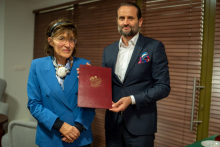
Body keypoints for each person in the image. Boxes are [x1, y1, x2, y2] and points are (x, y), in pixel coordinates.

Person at [102, 2, 171, 147]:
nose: (125, 22)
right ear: (117, 21)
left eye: (130, 18)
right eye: (121, 18)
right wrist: (89, 78)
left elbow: (163, 87)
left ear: (140, 21)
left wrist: (132, 99)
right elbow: (105, 85)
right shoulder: (108, 51)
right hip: (112, 124)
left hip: (140, 126)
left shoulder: (154, 47)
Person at [27, 18, 95, 147]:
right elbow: (34, 104)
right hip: (50, 137)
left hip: (79, 137)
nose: (67, 44)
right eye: (61, 38)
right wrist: (60, 125)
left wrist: (77, 128)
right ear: (50, 41)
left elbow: (90, 104)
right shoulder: (37, 65)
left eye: (71, 39)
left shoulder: (84, 65)